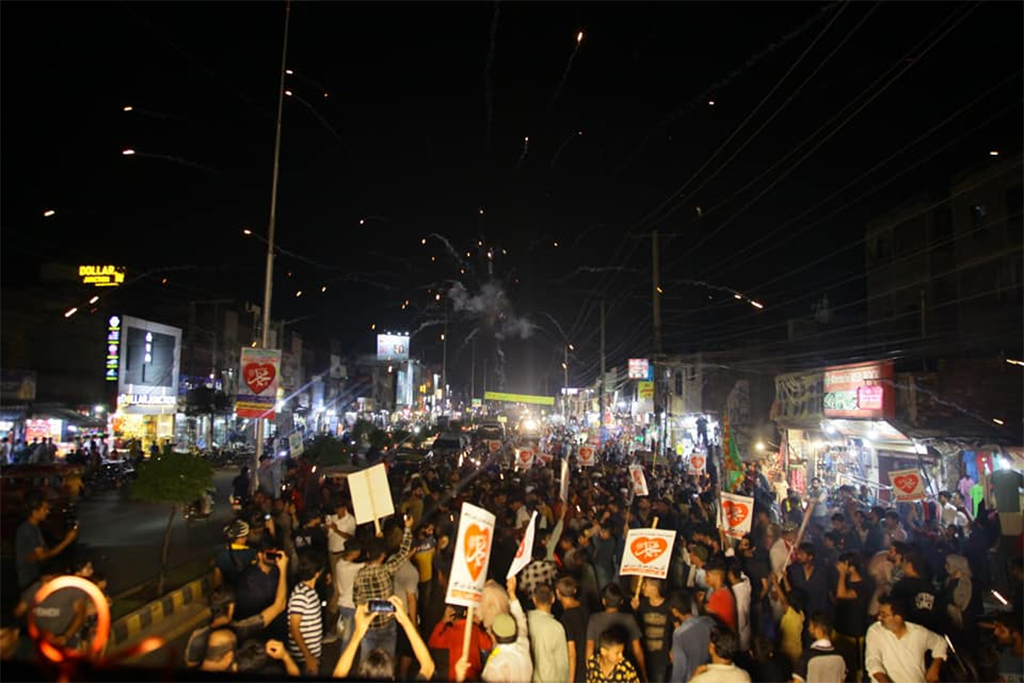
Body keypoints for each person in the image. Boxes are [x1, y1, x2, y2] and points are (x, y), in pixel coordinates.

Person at [183, 550, 289, 667]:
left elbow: (190, 664)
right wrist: (283, 568)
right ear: (231, 607)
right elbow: (280, 605)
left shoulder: (197, 637)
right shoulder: (243, 630)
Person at [352, 513, 416, 658]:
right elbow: (404, 552)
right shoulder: (387, 569)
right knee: (387, 662)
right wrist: (407, 529)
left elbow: (357, 601)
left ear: (368, 554)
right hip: (387, 625)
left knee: (367, 663)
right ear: (383, 555)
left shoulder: (359, 576)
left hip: (368, 626)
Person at [865, 594, 947, 683]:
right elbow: (873, 661)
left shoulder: (919, 633)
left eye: (884, 615)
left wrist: (935, 666)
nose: (879, 618)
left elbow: (940, 643)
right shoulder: (875, 631)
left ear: (898, 617)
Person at [585, 583, 646, 681]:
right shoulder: (629, 619)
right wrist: (643, 674)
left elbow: (589, 646)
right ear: (621, 601)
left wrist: (589, 670)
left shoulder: (594, 619)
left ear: (603, 601)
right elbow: (637, 649)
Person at [16, 496, 78, 589]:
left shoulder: (34, 528)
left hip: (34, 575)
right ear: (34, 512)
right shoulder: (29, 530)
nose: (47, 512)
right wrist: (67, 541)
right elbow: (42, 556)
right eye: (44, 509)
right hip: (30, 579)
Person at [479, 577, 533, 683]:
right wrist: (512, 593)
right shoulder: (523, 644)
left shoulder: (495, 665)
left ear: (493, 635)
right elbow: (520, 621)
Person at [429, 604, 493, 682]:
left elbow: (432, 642)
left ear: (451, 618)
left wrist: (443, 621)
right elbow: (488, 645)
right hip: (474, 675)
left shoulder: (450, 632)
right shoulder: (475, 629)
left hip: (456, 676)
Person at [286, 550, 325, 676]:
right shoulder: (301, 596)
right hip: (304, 657)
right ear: (317, 574)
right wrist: (308, 656)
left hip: (311, 653)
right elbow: (293, 627)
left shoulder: (308, 591)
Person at [630, 577, 672, 683]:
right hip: (645, 656)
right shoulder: (642, 604)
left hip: (661, 658)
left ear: (654, 587)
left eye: (646, 585)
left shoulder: (668, 607)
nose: (643, 588)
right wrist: (635, 610)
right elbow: (635, 628)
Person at [527, 583, 570, 683]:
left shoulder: (525, 620)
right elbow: (562, 663)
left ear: (534, 599)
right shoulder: (556, 627)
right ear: (553, 599)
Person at [669, 589, 714, 683]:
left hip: (692, 678)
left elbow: (680, 668)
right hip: (711, 675)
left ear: (675, 611)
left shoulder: (679, 634)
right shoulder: (709, 621)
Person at [791, 613, 845, 683]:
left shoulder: (808, 656)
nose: (809, 629)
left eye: (811, 626)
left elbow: (797, 681)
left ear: (818, 630)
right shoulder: (840, 655)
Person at [557, 576, 591, 683]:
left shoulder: (565, 619)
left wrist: (570, 680)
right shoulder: (587, 610)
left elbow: (572, 653)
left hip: (578, 671)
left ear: (557, 593)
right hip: (590, 664)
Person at [213, 519, 258, 587]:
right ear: (241, 537)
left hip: (230, 592)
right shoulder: (251, 554)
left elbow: (217, 578)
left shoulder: (220, 555)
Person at [703, 557, 737, 632]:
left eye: (707, 575)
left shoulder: (717, 596)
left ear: (717, 576)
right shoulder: (726, 591)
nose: (705, 578)